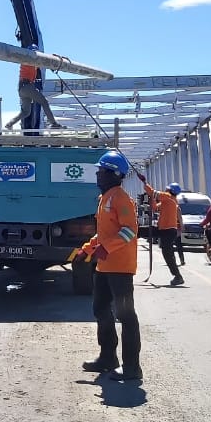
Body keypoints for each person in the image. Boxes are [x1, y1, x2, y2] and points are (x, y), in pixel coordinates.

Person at [75, 150, 142, 382]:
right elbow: (104, 234)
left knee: (125, 315)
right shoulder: (106, 198)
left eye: (101, 171)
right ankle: (107, 357)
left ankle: (132, 367)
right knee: (100, 309)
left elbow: (130, 230)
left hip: (120, 268)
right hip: (104, 266)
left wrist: (107, 249)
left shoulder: (121, 199)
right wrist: (87, 248)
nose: (98, 175)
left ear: (113, 174)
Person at [4, 62, 63, 130]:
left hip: (22, 88)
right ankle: (53, 123)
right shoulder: (29, 61)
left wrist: (50, 66)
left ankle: (10, 124)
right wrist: (51, 65)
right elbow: (41, 62)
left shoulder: (31, 63)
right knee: (44, 102)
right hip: (27, 86)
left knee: (26, 112)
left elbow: (40, 64)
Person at [153, 182, 184, 286]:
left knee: (168, 253)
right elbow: (155, 207)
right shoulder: (168, 201)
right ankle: (177, 275)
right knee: (168, 252)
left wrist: (146, 185)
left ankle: (178, 276)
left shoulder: (169, 199)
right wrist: (151, 198)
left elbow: (154, 193)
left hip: (168, 230)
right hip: (165, 229)